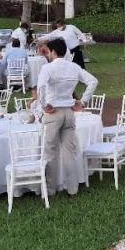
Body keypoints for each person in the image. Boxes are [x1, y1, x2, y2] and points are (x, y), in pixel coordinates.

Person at [37, 38, 98, 197]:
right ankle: (72, 188)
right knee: (69, 151)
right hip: (69, 113)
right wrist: (82, 101)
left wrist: (44, 105)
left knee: (50, 151)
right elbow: (93, 81)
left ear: (53, 52)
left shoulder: (47, 68)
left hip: (53, 112)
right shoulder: (73, 67)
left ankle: (50, 190)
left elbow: (41, 87)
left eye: (48, 52)